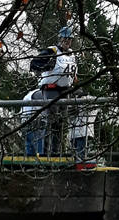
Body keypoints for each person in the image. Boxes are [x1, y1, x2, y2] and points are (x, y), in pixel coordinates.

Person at [37, 26, 78, 155]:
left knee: (60, 122)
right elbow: (35, 64)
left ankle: (56, 151)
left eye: (69, 40)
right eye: (65, 40)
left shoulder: (72, 54)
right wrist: (46, 65)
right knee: (52, 119)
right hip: (51, 89)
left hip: (65, 90)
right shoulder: (52, 51)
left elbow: (73, 74)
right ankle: (45, 152)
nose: (67, 42)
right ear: (60, 39)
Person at [20, 88, 47, 157]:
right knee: (39, 146)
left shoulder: (29, 95)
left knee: (29, 147)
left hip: (25, 122)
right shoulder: (39, 93)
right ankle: (40, 162)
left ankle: (30, 165)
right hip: (36, 122)